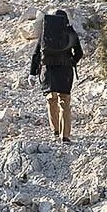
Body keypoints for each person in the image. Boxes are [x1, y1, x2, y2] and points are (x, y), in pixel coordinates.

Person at [29, 8, 83, 143]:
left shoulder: (46, 32)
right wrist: (72, 62)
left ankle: (55, 129)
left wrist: (32, 73)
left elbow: (36, 54)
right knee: (64, 101)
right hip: (65, 71)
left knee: (51, 99)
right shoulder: (70, 32)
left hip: (48, 71)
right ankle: (64, 136)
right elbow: (79, 52)